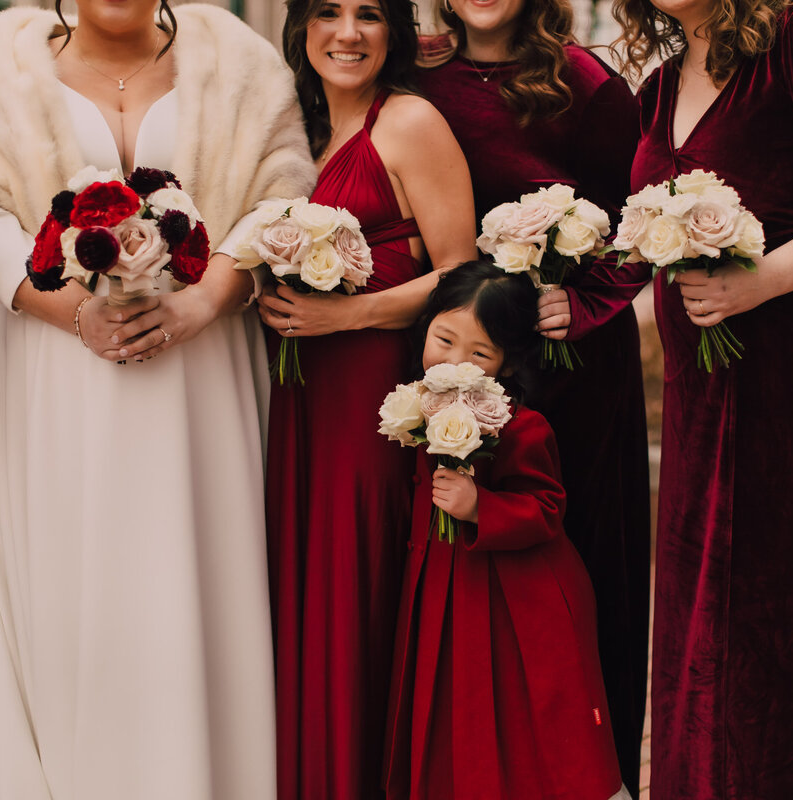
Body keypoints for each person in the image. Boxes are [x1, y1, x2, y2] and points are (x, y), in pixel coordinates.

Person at [0, 1, 315, 796]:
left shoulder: (238, 62)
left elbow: (281, 201)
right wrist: (71, 311)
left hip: (203, 366)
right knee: (76, 575)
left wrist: (206, 302)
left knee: (200, 565)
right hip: (60, 366)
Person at [539, 1, 793, 796]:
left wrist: (765, 281)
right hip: (708, 391)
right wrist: (566, 295)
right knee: (707, 613)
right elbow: (637, 248)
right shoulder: (656, 90)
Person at [416, 1, 650, 791]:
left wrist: (584, 302)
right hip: (455, 358)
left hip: (573, 370)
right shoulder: (422, 80)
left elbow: (643, 218)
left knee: (577, 569)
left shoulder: (585, 84)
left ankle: (595, 770)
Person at [251, 0, 476, 797]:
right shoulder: (288, 129)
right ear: (301, 27)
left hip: (371, 394)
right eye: (328, 13)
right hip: (291, 397)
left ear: (396, 34)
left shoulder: (410, 121)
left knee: (357, 589)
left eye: (370, 15)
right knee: (298, 589)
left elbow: (462, 272)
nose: (347, 33)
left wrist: (347, 313)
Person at [383, 260, 627, 800]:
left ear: (508, 364)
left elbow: (546, 506)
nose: (454, 362)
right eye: (444, 339)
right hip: (445, 584)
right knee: (450, 702)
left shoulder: (521, 424)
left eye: (479, 354)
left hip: (510, 591)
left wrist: (479, 507)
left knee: (518, 712)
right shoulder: (411, 409)